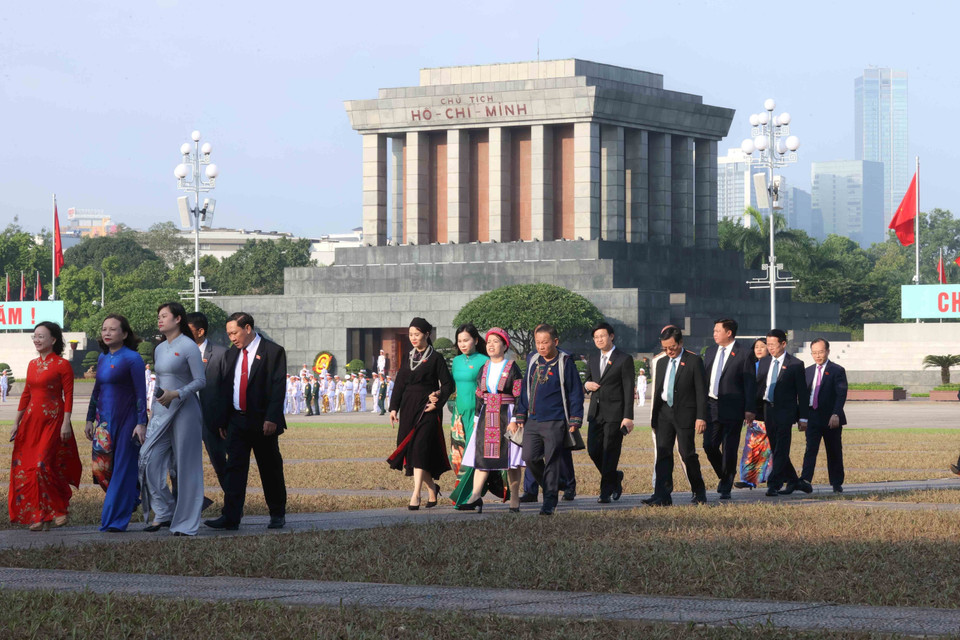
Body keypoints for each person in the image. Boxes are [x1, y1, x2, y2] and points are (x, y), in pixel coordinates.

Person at [205, 312, 288, 531]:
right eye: (228, 334)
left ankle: (277, 513)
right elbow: (225, 388)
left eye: (234, 332)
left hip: (262, 422)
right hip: (236, 421)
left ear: (248, 328)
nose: (231, 338)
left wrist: (272, 417)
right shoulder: (233, 353)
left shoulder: (273, 352)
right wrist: (222, 420)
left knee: (269, 469)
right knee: (234, 469)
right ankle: (231, 516)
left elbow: (278, 388)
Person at [138, 302, 206, 536]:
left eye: (164, 316)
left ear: (178, 319)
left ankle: (186, 523)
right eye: (158, 316)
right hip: (161, 411)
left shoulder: (188, 346)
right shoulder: (159, 348)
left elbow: (201, 381)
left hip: (185, 411)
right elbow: (159, 382)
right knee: (148, 459)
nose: (160, 319)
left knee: (187, 467)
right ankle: (164, 510)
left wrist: (177, 394)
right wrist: (153, 411)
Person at [9, 322, 82, 531]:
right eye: (35, 336)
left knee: (42, 464)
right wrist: (16, 422)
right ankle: (40, 515)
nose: (37, 340)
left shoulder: (62, 364)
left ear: (53, 340)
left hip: (53, 419)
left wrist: (66, 422)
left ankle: (59, 510)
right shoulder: (32, 364)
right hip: (31, 421)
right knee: (28, 468)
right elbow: (26, 394)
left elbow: (68, 395)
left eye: (41, 336)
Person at [511, 323, 584, 516]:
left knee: (552, 461)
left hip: (555, 421)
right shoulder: (533, 359)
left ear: (555, 342)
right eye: (538, 342)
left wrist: (575, 419)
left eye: (545, 342)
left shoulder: (565, 361)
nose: (541, 346)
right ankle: (555, 483)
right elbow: (526, 389)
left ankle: (549, 502)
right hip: (533, 420)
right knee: (529, 457)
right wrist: (521, 413)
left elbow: (575, 392)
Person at [85, 315, 148, 532]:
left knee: (122, 468)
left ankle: (114, 520)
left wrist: (141, 423)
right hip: (104, 423)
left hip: (127, 421)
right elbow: (97, 391)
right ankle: (130, 499)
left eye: (113, 329)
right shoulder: (102, 358)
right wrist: (89, 418)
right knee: (101, 470)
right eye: (104, 329)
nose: (107, 333)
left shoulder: (133, 359)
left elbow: (142, 393)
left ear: (125, 333)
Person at [388, 317, 454, 510]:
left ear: (427, 334)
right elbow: (400, 383)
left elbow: (449, 384)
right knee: (411, 451)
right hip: (408, 407)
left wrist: (439, 400)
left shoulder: (436, 358)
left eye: (416, 334)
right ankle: (432, 488)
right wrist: (394, 408)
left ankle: (415, 494)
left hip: (427, 409)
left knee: (419, 450)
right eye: (410, 335)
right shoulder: (408, 356)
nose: (413, 338)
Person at [458, 328, 525, 513]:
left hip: (506, 415)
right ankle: (475, 496)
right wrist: (477, 418)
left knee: (511, 460)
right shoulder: (484, 368)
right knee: (482, 457)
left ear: (505, 345)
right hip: (487, 416)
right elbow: (479, 395)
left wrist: (515, 419)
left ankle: (514, 498)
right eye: (489, 342)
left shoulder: (512, 367)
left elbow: (519, 394)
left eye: (496, 341)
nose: (491, 345)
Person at [647, 326, 707, 506]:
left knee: (687, 453)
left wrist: (701, 417)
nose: (669, 351)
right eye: (665, 348)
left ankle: (699, 491)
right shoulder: (662, 362)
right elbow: (659, 390)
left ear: (680, 342)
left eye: (672, 347)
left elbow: (701, 392)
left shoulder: (694, 361)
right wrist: (655, 417)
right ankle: (662, 495)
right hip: (664, 412)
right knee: (663, 453)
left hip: (685, 414)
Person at [702, 318, 756, 500]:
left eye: (718, 331)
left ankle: (726, 485)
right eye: (714, 330)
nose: (714, 334)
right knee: (709, 445)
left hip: (733, 407)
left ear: (729, 332)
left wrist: (750, 408)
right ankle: (725, 475)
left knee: (730, 447)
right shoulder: (709, 352)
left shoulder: (744, 353)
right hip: (711, 405)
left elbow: (750, 383)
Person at [583, 322, 635, 504]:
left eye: (602, 336)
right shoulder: (593, 358)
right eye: (596, 337)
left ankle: (605, 492)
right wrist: (586, 385)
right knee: (593, 450)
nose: (599, 340)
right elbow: (588, 380)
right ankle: (614, 477)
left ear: (611, 336)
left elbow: (629, 389)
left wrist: (628, 416)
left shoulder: (624, 359)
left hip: (615, 414)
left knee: (610, 452)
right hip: (595, 412)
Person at [756, 329, 809, 497]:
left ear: (783, 344)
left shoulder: (795, 364)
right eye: (768, 344)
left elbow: (802, 392)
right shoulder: (764, 362)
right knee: (776, 448)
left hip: (786, 411)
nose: (770, 348)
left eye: (773, 344)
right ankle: (794, 480)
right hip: (767, 409)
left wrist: (803, 417)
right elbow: (758, 388)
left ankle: (774, 483)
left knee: (781, 448)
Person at [447, 323, 492, 509]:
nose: (462, 344)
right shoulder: (456, 361)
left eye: (466, 340)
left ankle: (467, 497)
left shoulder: (484, 360)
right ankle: (471, 494)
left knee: (471, 457)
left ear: (475, 340)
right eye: (459, 341)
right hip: (458, 414)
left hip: (477, 414)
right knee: (456, 457)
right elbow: (452, 386)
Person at [187, 312, 229, 497]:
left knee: (220, 462)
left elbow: (228, 389)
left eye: (187, 330)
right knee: (181, 465)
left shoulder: (221, 354)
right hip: (186, 417)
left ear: (200, 331)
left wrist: (224, 420)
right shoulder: (179, 353)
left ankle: (232, 505)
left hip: (212, 420)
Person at [801, 338, 847, 493]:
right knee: (810, 449)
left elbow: (841, 394)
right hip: (812, 416)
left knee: (833, 450)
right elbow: (802, 396)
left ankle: (836, 482)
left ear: (827, 351)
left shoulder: (837, 370)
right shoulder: (807, 371)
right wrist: (802, 417)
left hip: (830, 418)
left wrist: (836, 414)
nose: (818, 355)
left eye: (820, 352)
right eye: (814, 353)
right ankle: (805, 480)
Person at [735, 339, 773, 489]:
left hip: (768, 412)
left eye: (762, 347)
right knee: (751, 448)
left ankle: (771, 479)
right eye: (756, 347)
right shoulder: (749, 365)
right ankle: (748, 479)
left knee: (769, 450)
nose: (759, 349)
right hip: (753, 412)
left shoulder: (773, 365)